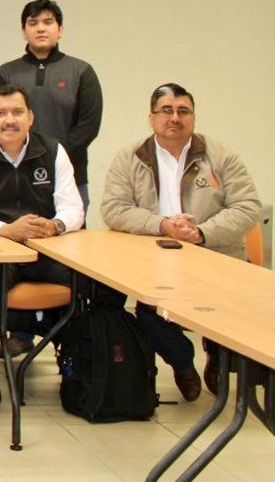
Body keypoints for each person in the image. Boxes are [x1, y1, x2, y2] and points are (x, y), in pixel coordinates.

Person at [101, 83, 261, 401]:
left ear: (193, 117)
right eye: (166, 110)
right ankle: (183, 363)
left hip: (217, 257)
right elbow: (114, 209)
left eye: (183, 111)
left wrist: (201, 232)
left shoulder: (221, 156)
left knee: (232, 308)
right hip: (156, 262)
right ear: (151, 117)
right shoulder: (130, 157)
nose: (175, 118)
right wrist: (163, 225)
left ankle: (218, 357)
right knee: (148, 312)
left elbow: (247, 207)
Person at [0, 84, 85, 404]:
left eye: (17, 112)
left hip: (44, 249)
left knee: (91, 283)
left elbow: (74, 208)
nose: (9, 120)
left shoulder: (53, 150)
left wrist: (55, 225)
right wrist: (6, 229)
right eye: (1, 113)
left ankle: (76, 364)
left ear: (31, 117)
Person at [0, 0, 102, 209]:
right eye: (33, 23)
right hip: (14, 176)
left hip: (70, 176)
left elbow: (89, 126)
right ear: (24, 31)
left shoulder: (81, 71)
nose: (40, 28)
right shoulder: (5, 73)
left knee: (69, 230)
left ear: (60, 30)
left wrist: (53, 156)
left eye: (48, 22)